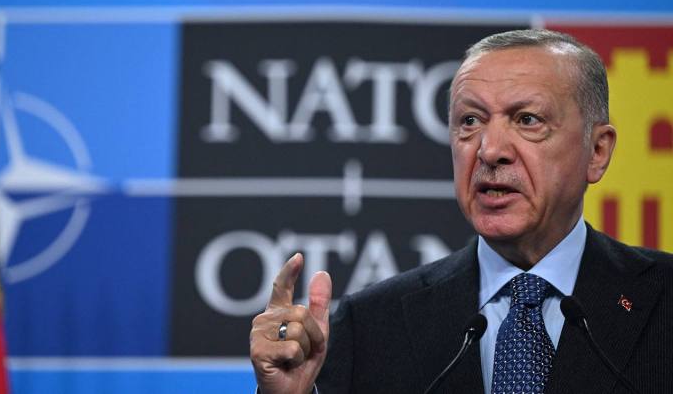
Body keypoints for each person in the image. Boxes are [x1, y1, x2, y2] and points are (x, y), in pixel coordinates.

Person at [249, 29, 673, 393]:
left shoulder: (663, 300)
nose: (490, 150)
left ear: (597, 152)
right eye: (470, 121)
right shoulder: (371, 326)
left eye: (527, 120)